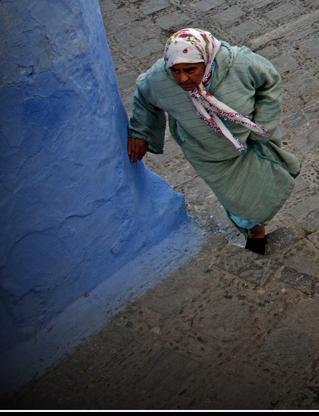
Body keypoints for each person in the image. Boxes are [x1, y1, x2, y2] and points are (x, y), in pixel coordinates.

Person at [127, 28, 300, 253]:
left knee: (262, 186)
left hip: (248, 145)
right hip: (207, 154)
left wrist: (262, 127)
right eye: (175, 71)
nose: (182, 79)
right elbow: (144, 98)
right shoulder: (159, 79)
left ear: (206, 60)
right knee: (236, 200)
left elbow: (270, 82)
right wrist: (141, 132)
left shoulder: (240, 63)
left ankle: (256, 231)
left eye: (190, 70)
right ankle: (256, 232)